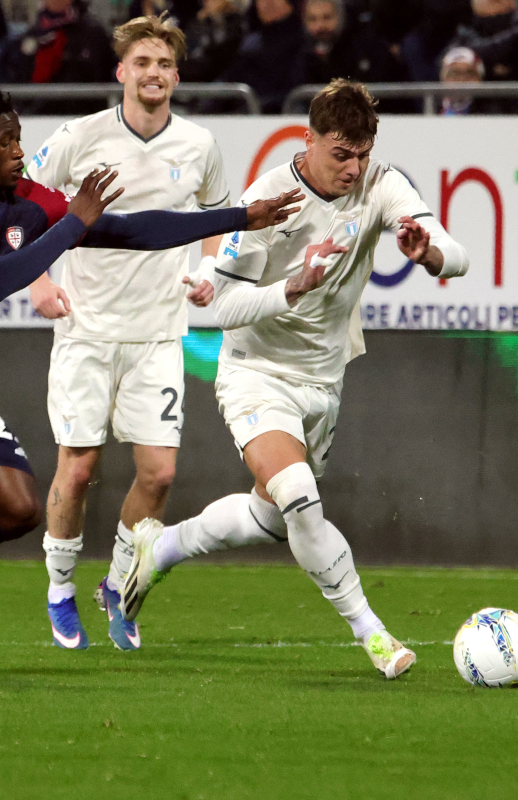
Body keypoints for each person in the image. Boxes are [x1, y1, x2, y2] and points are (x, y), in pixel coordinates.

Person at [0, 76, 300, 675]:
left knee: (18, 511)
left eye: (20, 137)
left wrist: (238, 218)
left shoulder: (25, 199)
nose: (20, 151)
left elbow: (129, 231)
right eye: (6, 140)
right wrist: (72, 225)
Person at [119, 80, 471, 681]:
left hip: (324, 384)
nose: (354, 168)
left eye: (363, 153)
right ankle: (375, 635)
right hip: (256, 374)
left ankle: (163, 546)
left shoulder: (381, 184)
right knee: (302, 500)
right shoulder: (269, 198)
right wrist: (293, 287)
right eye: (341, 154)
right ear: (307, 141)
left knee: (272, 518)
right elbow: (222, 308)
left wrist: (428, 252)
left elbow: (454, 252)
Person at [23, 15, 235, 652]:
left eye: (165, 65)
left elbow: (220, 217)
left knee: (160, 474)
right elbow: (25, 200)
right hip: (87, 330)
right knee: (79, 468)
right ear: (121, 72)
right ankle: (61, 589)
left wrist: (209, 271)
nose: (154, 74)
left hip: (158, 336)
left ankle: (115, 586)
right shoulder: (80, 136)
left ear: (177, 75)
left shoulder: (199, 145)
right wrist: (36, 282)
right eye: (143, 63)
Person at [9, 0, 116, 114]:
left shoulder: (93, 33)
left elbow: (103, 74)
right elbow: (19, 77)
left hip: (83, 116)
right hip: (37, 119)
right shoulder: (31, 36)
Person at [220, 0, 305, 113]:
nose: (268, 3)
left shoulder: (304, 42)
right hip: (243, 115)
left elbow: (296, 88)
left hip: (284, 115)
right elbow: (230, 78)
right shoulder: (248, 43)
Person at [296, 0, 406, 86]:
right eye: (312, 19)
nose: (320, 26)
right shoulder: (303, 52)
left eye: (327, 17)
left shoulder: (366, 46)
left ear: (341, 17)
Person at [181, 0, 248, 83]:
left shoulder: (236, 25)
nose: (205, 2)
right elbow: (187, 49)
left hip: (221, 82)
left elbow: (216, 58)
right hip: (194, 79)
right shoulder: (203, 22)